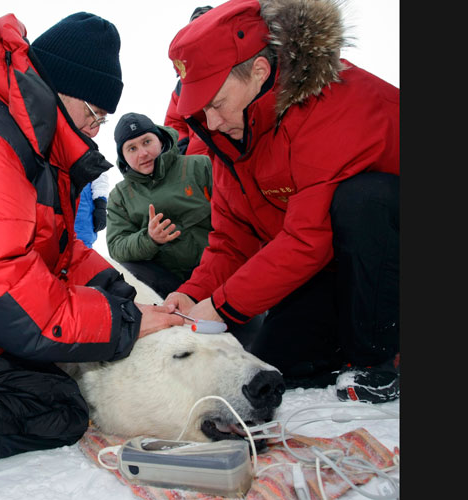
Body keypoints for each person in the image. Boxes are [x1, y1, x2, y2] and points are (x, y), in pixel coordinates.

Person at [0, 11, 184, 463]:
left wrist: (119, 291)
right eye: (93, 114)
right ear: (61, 88)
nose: (93, 130)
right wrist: (125, 323)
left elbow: (58, 247)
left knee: (55, 386)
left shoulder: (28, 140)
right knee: (58, 411)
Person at [164, 0, 400, 403]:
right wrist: (192, 294)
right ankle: (343, 349)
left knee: (363, 200)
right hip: (337, 264)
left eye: (217, 103)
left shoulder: (333, 103)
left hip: (386, 253)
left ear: (258, 71)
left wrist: (220, 307)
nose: (212, 122)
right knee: (277, 363)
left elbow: (307, 240)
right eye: (202, 109)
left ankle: (378, 362)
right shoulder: (232, 135)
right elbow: (232, 240)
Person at [106, 112, 213, 299]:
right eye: (132, 148)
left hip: (215, 271)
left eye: (147, 142)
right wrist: (150, 239)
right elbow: (116, 246)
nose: (143, 153)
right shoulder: (120, 196)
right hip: (166, 282)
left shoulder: (200, 166)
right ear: (123, 157)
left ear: (160, 139)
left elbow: (234, 211)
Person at [163, 6, 213, 157]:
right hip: (196, 165)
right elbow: (174, 123)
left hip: (232, 157)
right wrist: (182, 150)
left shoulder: (235, 68)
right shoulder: (182, 86)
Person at [75, 170, 110, 248]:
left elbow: (99, 175)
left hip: (82, 213)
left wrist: (100, 205)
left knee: (81, 246)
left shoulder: (90, 158)